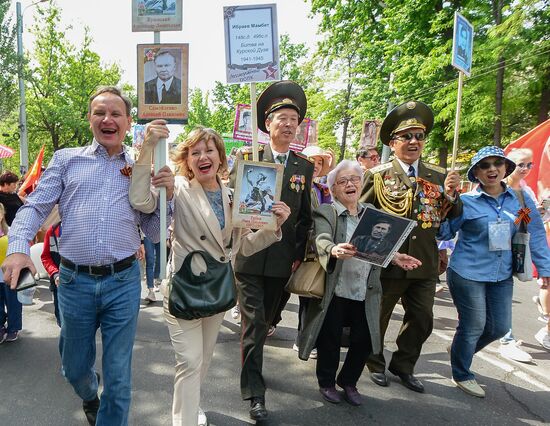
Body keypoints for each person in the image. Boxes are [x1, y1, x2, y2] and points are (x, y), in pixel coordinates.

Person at [1, 86, 174, 426]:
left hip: (123, 283)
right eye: (100, 113)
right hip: (73, 282)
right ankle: (89, 392)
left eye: (115, 114)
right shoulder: (67, 159)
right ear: (90, 119)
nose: (107, 119)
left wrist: (168, 197)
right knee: (74, 367)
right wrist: (19, 247)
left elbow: (153, 233)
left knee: (120, 377)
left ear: (127, 123)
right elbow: (35, 207)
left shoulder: (141, 168)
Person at [129, 126, 290, 426]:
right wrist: (148, 151)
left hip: (217, 289)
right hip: (183, 289)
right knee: (189, 361)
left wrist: (274, 226)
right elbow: (140, 200)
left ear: (220, 157)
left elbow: (243, 247)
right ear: (187, 160)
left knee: (200, 361)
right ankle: (184, 421)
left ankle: (192, 406)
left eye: (209, 150)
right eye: (195, 152)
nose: (203, 156)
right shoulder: (177, 187)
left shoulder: (235, 195)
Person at [298, 160, 421, 406]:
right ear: (333, 190)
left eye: (354, 179)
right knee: (330, 340)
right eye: (342, 181)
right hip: (336, 287)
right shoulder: (328, 212)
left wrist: (396, 257)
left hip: (366, 288)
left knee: (364, 340)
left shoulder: (372, 214)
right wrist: (333, 249)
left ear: (361, 183)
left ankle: (349, 381)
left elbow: (381, 246)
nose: (350, 184)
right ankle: (326, 382)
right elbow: (321, 238)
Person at [360, 100, 462, 393]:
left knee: (422, 318)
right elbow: (363, 216)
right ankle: (375, 362)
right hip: (389, 259)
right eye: (407, 136)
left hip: (424, 262)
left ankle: (404, 365)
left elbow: (449, 218)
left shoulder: (438, 176)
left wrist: (453, 195)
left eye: (419, 136)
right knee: (377, 317)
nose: (414, 141)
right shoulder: (378, 175)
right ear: (393, 143)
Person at [229, 80, 314, 421]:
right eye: (282, 117)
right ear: (267, 124)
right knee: (254, 324)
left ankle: (255, 366)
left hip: (282, 259)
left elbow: (306, 215)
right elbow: (232, 202)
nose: (289, 123)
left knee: (266, 323)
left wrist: (299, 253)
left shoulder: (303, 167)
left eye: (294, 118)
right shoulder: (247, 158)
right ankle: (255, 394)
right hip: (249, 255)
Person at [438, 146, 550, 397]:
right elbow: (443, 234)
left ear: (505, 168)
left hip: (502, 274)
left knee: (499, 327)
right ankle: (462, 372)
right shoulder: (465, 202)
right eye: (484, 165)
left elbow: (533, 231)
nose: (491, 169)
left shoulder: (520, 202)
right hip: (467, 272)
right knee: (473, 325)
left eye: (497, 164)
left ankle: (460, 350)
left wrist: (545, 268)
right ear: (476, 173)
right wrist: (447, 202)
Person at [270, 145, 332, 348]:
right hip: (292, 242)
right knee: (284, 286)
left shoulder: (324, 190)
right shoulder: (292, 180)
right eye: (312, 160)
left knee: (308, 290)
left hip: (314, 247)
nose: (316, 165)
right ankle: (272, 319)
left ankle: (302, 337)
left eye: (320, 162)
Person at [498, 148, 538, 362]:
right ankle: (467, 339)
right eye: (520, 164)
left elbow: (523, 222)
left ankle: (507, 339)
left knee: (503, 297)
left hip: (510, 250)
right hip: (483, 254)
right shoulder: (494, 186)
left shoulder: (525, 192)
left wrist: (532, 213)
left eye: (528, 165)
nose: (525, 169)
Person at [0, 203, 21, 343]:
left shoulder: (11, 232)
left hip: (10, 275)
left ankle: (13, 328)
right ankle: (0, 326)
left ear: (2, 214)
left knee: (13, 302)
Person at [40, 220, 62, 327]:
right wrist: (55, 273)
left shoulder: (86, 229)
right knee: (62, 321)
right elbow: (46, 256)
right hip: (59, 284)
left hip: (83, 286)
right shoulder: (53, 230)